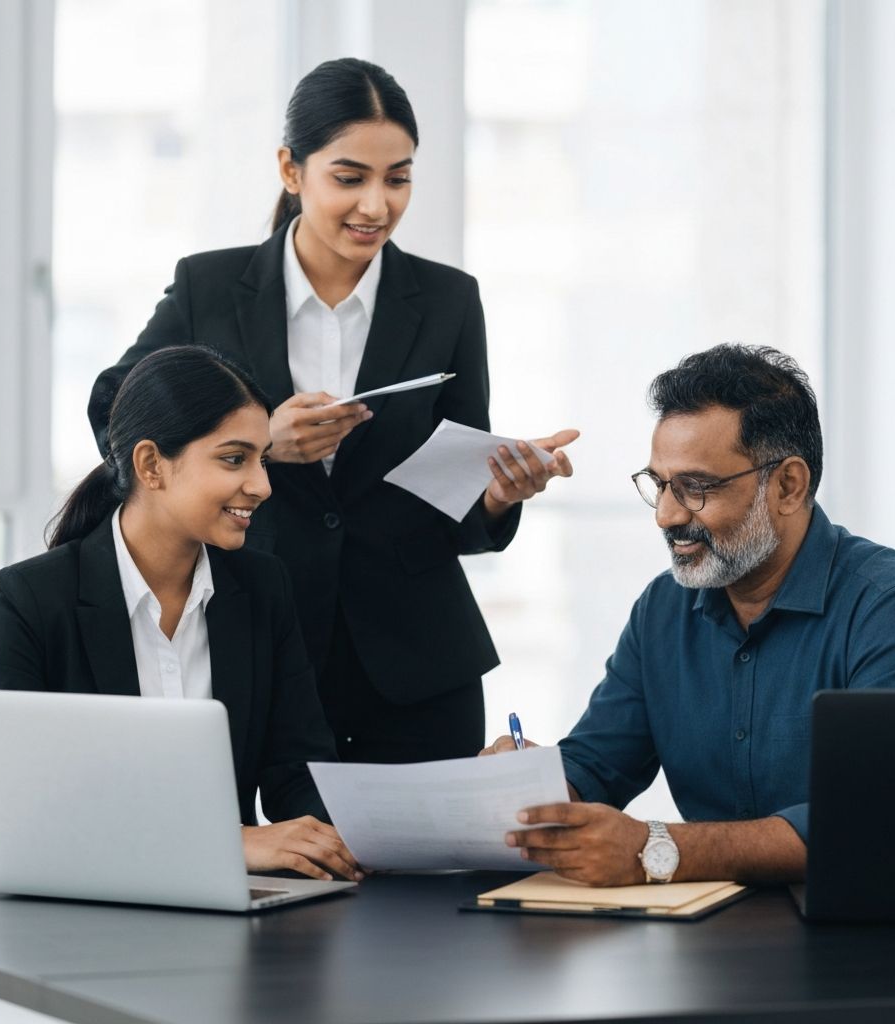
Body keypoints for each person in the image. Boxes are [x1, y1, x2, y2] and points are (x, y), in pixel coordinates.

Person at [88, 58, 578, 764]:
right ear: (291, 170)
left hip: (415, 661)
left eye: (397, 178)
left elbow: (457, 505)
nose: (376, 206)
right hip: (252, 638)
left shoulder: (449, 301)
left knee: (424, 841)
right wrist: (259, 442)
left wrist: (499, 495)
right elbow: (114, 411)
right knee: (245, 831)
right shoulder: (210, 287)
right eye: (350, 178)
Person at [483, 344, 895, 886]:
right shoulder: (663, 608)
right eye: (659, 484)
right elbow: (596, 764)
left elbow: (880, 813)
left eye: (695, 487)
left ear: (788, 485)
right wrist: (529, 791)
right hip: (708, 923)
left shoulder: (891, 606)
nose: (666, 515)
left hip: (858, 924)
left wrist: (655, 848)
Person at [0, 346, 361, 882]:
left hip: (230, 906)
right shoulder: (32, 598)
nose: (262, 485)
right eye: (234, 459)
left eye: (264, 459)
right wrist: (225, 843)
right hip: (88, 902)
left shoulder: (262, 586)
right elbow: (3, 810)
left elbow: (299, 775)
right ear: (151, 465)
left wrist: (405, 820)